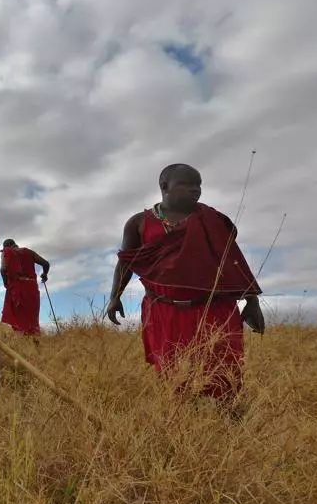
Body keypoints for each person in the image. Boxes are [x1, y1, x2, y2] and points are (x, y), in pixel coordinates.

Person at [106, 163, 264, 405]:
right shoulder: (139, 223)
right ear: (164, 186)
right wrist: (114, 297)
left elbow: (232, 261)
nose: (195, 190)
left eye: (198, 185)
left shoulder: (214, 220)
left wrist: (252, 301)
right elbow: (126, 263)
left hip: (215, 310)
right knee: (173, 377)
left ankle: (229, 428)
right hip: (164, 310)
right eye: (186, 185)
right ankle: (183, 431)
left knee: (224, 373)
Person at [0, 239, 50, 336]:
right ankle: (35, 340)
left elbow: (3, 269)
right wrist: (44, 274)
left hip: (17, 289)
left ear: (6, 246)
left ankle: (23, 342)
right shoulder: (28, 252)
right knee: (32, 317)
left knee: (19, 318)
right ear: (15, 245)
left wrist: (6, 284)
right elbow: (46, 264)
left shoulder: (7, 252)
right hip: (31, 288)